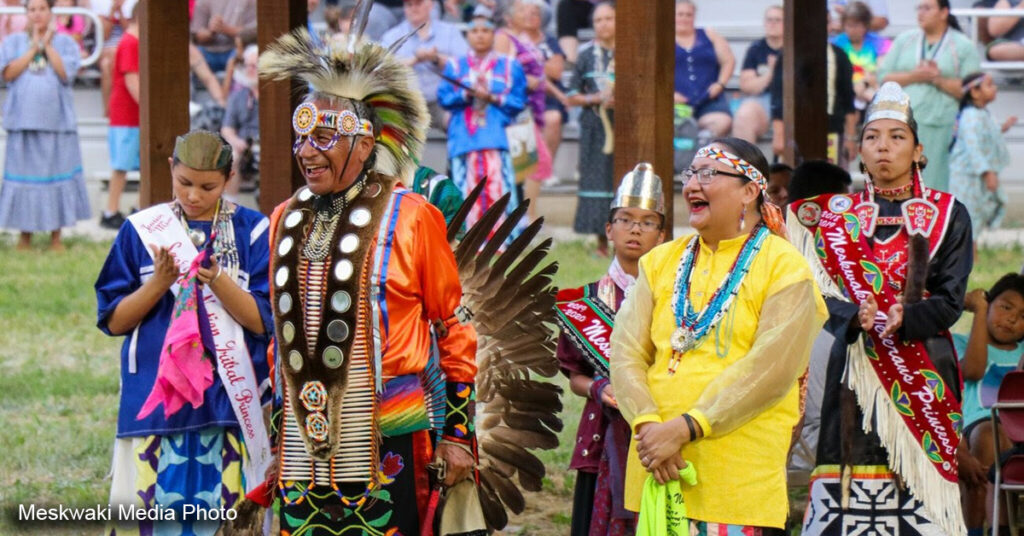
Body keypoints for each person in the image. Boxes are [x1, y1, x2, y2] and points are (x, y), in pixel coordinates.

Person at [258, 17, 478, 534]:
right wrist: (277, 439)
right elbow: (279, 339)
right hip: (303, 437)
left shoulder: (413, 215)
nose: (307, 151)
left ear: (364, 143)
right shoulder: (284, 218)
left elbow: (453, 326)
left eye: (324, 137)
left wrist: (459, 435)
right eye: (301, 137)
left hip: (389, 427)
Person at [609, 137, 827, 534]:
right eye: (690, 173)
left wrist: (685, 428)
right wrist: (647, 426)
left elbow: (770, 372)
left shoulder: (786, 269)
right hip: (657, 467)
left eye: (708, 173)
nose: (693, 183)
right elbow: (625, 352)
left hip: (735, 485)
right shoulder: (661, 260)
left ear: (749, 190)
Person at [795, 82, 973, 536]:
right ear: (860, 151)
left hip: (922, 366)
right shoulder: (836, 219)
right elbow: (821, 292)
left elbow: (952, 297)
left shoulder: (949, 213)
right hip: (854, 369)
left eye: (897, 137)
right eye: (873, 137)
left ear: (917, 149)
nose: (883, 148)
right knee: (848, 478)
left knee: (919, 499)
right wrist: (854, 315)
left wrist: (905, 317)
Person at [96, 131, 273, 536]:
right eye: (185, 183)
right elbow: (114, 320)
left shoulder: (254, 231)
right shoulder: (141, 231)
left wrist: (219, 281)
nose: (194, 195)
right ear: (171, 170)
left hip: (228, 406)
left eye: (208, 186)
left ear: (229, 178)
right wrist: (158, 283)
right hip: (155, 407)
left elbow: (265, 321)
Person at [557, 163, 666, 536]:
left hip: (657, 430)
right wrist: (599, 389)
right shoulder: (582, 302)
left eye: (648, 222)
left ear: (661, 235)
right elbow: (576, 378)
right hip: (602, 432)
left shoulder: (673, 299)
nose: (635, 229)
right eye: (625, 219)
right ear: (609, 229)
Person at [0, 0, 89, 251]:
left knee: (54, 176)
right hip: (22, 121)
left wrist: (48, 45)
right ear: (26, 14)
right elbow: (8, 74)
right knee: (25, 179)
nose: (37, 14)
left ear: (51, 12)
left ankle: (56, 238)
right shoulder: (14, 42)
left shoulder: (65, 42)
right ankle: (24, 237)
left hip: (57, 122)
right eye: (32, 10)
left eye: (42, 9)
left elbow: (65, 74)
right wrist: (35, 46)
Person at [438, 6, 527, 232]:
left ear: (493, 34)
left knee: (500, 186)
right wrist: (466, 94)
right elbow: (444, 97)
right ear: (468, 34)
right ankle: (464, 240)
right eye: (474, 30)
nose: (479, 35)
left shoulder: (509, 66)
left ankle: (505, 239)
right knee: (463, 188)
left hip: (497, 135)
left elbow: (518, 101)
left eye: (485, 30)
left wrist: (494, 98)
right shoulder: (455, 66)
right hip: (464, 138)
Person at [879, 0, 980, 192]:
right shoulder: (905, 40)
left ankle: (938, 219)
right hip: (903, 122)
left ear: (944, 12)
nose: (921, 13)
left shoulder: (962, 46)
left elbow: (972, 90)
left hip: (943, 123)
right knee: (902, 177)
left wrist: (938, 79)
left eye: (927, 8)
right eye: (919, 8)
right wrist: (913, 76)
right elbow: (884, 77)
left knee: (935, 179)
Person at [956, 274, 1024, 536]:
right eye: (1005, 307)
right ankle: (976, 531)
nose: (1011, 319)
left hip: (1018, 432)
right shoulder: (962, 343)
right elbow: (972, 370)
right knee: (987, 437)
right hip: (978, 425)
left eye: (1022, 316)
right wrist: (979, 311)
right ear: (989, 302)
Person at [495, 0, 554, 221]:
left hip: (532, 109)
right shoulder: (503, 37)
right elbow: (502, 73)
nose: (528, 13)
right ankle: (528, 218)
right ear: (509, 17)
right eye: (521, 10)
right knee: (535, 164)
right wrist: (523, 80)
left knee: (526, 165)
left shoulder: (524, 38)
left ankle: (522, 218)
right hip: (516, 110)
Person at [567, 1, 615, 256]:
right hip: (595, 126)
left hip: (627, 126)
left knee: (623, 180)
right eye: (598, 20)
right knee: (598, 181)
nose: (603, 24)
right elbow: (572, 94)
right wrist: (594, 99)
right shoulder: (586, 55)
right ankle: (602, 244)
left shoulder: (629, 52)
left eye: (609, 19)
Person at [949, 72, 1016, 251]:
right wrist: (988, 173)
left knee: (977, 213)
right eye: (990, 85)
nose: (995, 88)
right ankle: (967, 254)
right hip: (966, 176)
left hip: (975, 175)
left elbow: (988, 135)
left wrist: (1003, 127)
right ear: (975, 92)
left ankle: (973, 250)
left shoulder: (982, 113)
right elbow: (974, 147)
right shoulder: (970, 116)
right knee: (967, 214)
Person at [382, 0, 469, 131]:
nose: (413, 8)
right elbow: (382, 69)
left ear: (431, 5)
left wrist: (436, 59)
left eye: (418, 4)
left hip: (442, 101)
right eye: (409, 5)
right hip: (406, 103)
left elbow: (465, 65)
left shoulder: (450, 32)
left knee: (460, 122)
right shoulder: (392, 36)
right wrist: (415, 60)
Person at [770, 43, 857, 166]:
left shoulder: (839, 55)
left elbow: (848, 99)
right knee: (791, 179)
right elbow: (778, 96)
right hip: (793, 132)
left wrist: (851, 138)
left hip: (831, 131)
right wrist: (779, 134)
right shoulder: (787, 54)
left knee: (829, 180)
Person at [100, 3, 137, 230]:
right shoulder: (130, 42)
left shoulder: (131, 41)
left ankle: (138, 207)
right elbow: (131, 80)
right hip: (126, 116)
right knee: (121, 166)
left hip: (131, 116)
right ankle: (110, 210)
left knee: (133, 165)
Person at [673, 0, 734, 138]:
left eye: (689, 15)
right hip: (676, 103)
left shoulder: (709, 34)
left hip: (708, 100)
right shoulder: (663, 38)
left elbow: (728, 60)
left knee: (721, 122)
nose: (684, 18)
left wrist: (720, 84)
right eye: (680, 14)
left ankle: (703, 145)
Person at [733, 5, 782, 144]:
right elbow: (746, 86)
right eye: (769, 20)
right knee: (744, 115)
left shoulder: (795, 47)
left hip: (790, 99)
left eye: (778, 20)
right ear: (764, 23)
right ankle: (745, 164)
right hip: (764, 98)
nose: (773, 23)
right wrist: (772, 72)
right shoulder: (756, 49)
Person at [831, 1, 891, 112]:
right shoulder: (837, 43)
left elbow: (884, 70)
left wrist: (866, 82)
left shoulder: (879, 43)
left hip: (871, 88)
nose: (853, 30)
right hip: (846, 93)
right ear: (843, 25)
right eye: (850, 25)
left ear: (866, 25)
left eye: (858, 25)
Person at [220, 44, 260, 198]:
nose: (249, 70)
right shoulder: (238, 97)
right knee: (231, 157)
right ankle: (230, 204)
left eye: (254, 66)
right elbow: (227, 128)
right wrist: (236, 142)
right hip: (244, 146)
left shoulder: (272, 98)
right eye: (247, 65)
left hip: (265, 145)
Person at [191, 0, 256, 73]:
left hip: (236, 49)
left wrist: (226, 29)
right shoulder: (202, 1)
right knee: (193, 52)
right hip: (207, 52)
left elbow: (254, 32)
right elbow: (196, 37)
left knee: (250, 52)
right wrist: (211, 32)